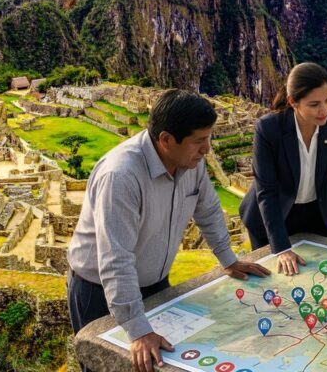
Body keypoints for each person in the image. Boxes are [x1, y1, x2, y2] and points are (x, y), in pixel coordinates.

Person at [66, 89, 270, 372]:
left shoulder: (190, 163)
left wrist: (229, 259)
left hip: (155, 282)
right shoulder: (121, 176)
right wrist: (137, 330)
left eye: (208, 138)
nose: (207, 150)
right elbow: (116, 258)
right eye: (199, 141)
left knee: (163, 362)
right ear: (165, 140)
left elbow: (208, 210)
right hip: (99, 291)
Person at [239, 62, 327, 276]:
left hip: (318, 214)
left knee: (324, 278)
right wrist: (282, 248)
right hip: (272, 218)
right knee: (274, 283)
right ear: (293, 102)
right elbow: (266, 190)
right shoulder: (269, 128)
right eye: (314, 104)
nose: (324, 110)